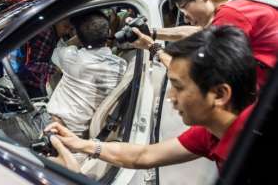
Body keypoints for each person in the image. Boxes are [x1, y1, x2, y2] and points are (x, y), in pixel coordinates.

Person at [46, 26, 257, 173]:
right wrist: (81, 144)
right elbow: (144, 156)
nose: (170, 98)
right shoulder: (210, 133)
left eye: (178, 87)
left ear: (220, 95)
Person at [134, 0, 278, 88]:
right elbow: (201, 31)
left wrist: (153, 47)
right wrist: (153, 32)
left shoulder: (232, 14)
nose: (185, 18)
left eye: (184, 9)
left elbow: (193, 78)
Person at [47, 12, 127, 136]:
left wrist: (79, 38)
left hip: (56, 126)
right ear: (109, 33)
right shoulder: (121, 65)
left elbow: (58, 50)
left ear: (78, 36)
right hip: (84, 131)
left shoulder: (70, 56)